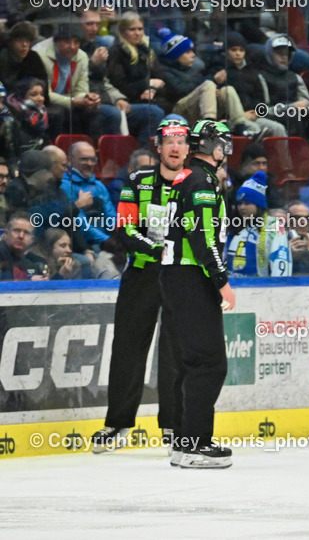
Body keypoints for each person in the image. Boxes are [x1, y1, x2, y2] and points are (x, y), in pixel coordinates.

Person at [88, 118, 186, 455]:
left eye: (181, 141)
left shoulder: (199, 183)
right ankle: (118, 423)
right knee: (128, 348)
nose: (175, 147)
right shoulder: (136, 181)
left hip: (179, 278)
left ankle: (174, 426)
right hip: (142, 274)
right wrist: (157, 250)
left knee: (175, 352)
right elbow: (125, 229)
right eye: (169, 141)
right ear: (158, 147)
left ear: (188, 148)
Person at [161, 120, 236, 468]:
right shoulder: (203, 181)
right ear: (215, 147)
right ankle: (194, 444)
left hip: (177, 277)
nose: (227, 150)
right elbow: (203, 238)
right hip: (191, 277)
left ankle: (184, 441)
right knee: (209, 364)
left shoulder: (188, 177)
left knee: (191, 363)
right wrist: (221, 280)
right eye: (225, 143)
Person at [224, 171, 292, 276]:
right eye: (239, 203)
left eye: (247, 203)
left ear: (258, 205)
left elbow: (280, 259)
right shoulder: (233, 227)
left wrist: (279, 286)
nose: (242, 207)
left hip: (261, 288)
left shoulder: (275, 226)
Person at [61, 141, 116, 238]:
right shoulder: (65, 185)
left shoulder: (99, 185)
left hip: (107, 240)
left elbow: (111, 216)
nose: (90, 164)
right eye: (84, 159)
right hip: (84, 242)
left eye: (93, 160)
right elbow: (80, 223)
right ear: (69, 160)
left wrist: (118, 238)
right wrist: (105, 241)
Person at [0, 212, 39, 280]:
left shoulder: (29, 265)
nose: (21, 236)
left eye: (26, 233)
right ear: (6, 234)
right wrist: (28, 282)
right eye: (17, 230)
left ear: (32, 239)